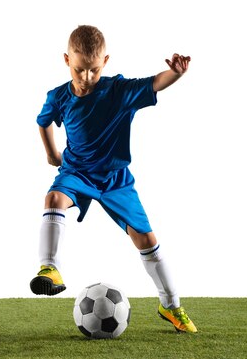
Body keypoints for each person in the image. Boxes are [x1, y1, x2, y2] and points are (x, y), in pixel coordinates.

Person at [30, 25, 197, 333]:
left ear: (104, 62)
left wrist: (175, 73)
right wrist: (52, 155)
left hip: (116, 180)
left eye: (93, 70)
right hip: (76, 173)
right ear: (67, 60)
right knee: (53, 199)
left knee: (147, 241)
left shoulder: (118, 91)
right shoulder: (58, 96)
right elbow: (43, 122)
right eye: (79, 70)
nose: (86, 78)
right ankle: (49, 269)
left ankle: (171, 305)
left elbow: (155, 83)